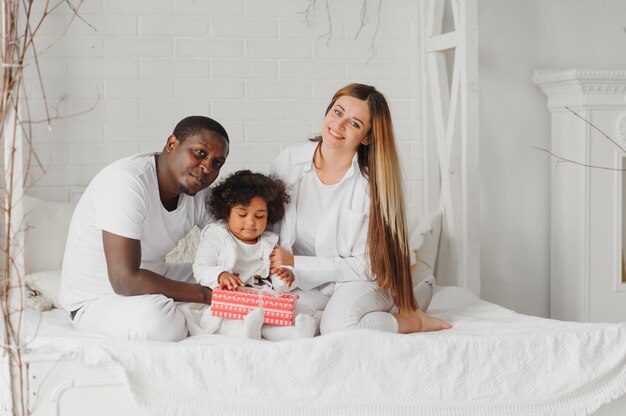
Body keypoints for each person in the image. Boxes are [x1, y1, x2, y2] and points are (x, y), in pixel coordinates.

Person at [269, 83, 451, 334]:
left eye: (354, 123)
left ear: (366, 137)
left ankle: (413, 319)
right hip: (304, 280)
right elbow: (268, 223)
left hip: (361, 279)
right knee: (279, 318)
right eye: (337, 112)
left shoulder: (372, 184)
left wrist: (296, 262)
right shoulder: (289, 160)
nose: (339, 125)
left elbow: (367, 266)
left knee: (338, 328)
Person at [59, 115, 229, 342]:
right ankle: (192, 312)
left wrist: (227, 277)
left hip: (156, 278)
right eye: (200, 152)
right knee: (156, 321)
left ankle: (189, 310)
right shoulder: (126, 182)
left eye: (217, 163)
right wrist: (205, 295)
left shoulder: (197, 192)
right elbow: (124, 280)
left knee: (231, 280)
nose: (207, 167)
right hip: (99, 300)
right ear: (172, 144)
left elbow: (230, 238)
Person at [185, 170, 315, 340]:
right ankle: (249, 332)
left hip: (260, 302)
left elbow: (277, 280)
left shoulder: (268, 243)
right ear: (226, 212)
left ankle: (296, 333)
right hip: (229, 305)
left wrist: (286, 276)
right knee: (230, 324)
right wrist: (220, 276)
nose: (251, 222)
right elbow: (201, 268)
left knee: (273, 321)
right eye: (242, 214)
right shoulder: (216, 236)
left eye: (260, 216)